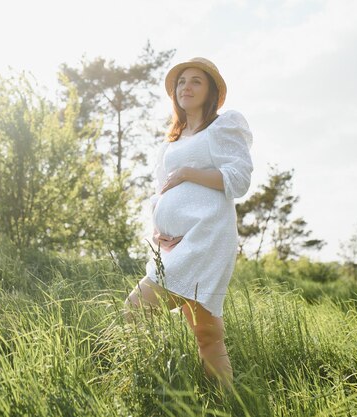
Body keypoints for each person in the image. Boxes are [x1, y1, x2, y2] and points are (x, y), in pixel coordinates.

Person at [122, 57, 254, 390]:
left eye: (196, 81)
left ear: (210, 90)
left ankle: (146, 385)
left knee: (136, 307)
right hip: (173, 243)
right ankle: (224, 402)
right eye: (181, 82)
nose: (186, 87)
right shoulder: (170, 144)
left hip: (207, 237)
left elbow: (238, 180)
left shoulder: (223, 127)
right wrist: (159, 230)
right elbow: (160, 194)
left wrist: (187, 173)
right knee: (207, 333)